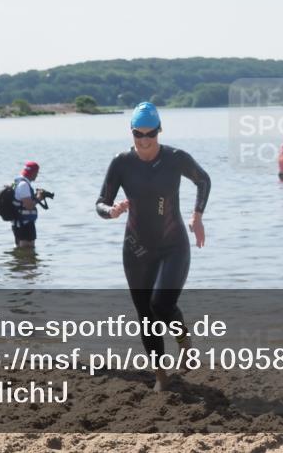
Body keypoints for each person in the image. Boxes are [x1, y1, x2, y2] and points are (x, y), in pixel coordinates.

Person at [96, 101, 211, 391]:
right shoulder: (121, 162)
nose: (145, 141)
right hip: (135, 249)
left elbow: (203, 180)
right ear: (131, 132)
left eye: (150, 134)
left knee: (161, 304)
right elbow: (100, 202)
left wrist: (197, 217)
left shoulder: (175, 158)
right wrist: (111, 211)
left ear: (159, 131)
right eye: (138, 134)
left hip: (173, 245)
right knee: (145, 314)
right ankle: (161, 376)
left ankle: (185, 342)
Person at [12, 161, 47, 249]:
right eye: (37, 173)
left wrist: (35, 197)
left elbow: (23, 202)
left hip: (19, 223)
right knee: (28, 250)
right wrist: (39, 197)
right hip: (25, 224)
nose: (37, 175)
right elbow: (29, 206)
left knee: (22, 251)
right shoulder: (24, 185)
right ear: (34, 173)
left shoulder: (18, 183)